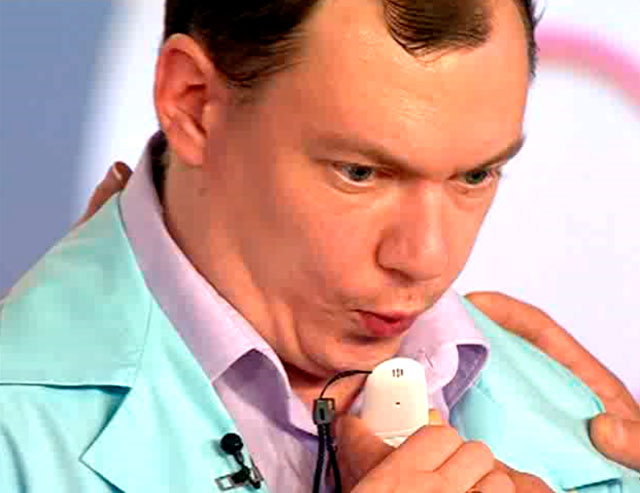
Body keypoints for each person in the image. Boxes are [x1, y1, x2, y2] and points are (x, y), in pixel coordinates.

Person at [1, 1, 638, 492]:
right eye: (359, 172)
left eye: (475, 176)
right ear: (193, 105)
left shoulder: (595, 436)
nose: (427, 259)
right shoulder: (16, 425)